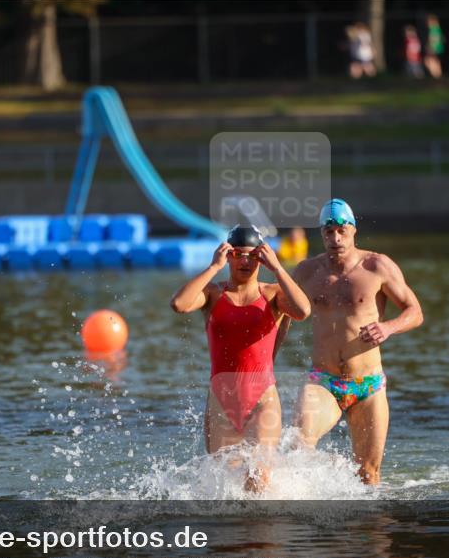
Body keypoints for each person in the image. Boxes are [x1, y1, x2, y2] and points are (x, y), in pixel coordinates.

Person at [287, 199, 423, 485]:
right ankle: (335, 470)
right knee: (298, 445)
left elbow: (415, 312)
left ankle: (367, 529)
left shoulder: (377, 266)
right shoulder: (306, 272)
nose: (335, 239)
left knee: (369, 475)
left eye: (341, 231)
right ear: (321, 234)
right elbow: (280, 318)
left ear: (353, 231)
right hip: (323, 382)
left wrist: (389, 327)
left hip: (368, 386)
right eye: (328, 232)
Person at [170, 226, 311, 492]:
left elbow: (303, 310)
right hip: (221, 403)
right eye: (237, 254)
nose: (245, 261)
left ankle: (261, 533)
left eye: (252, 255)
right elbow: (178, 304)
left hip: (262, 401)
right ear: (228, 256)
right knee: (223, 486)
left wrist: (279, 269)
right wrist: (213, 267)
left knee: (259, 480)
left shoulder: (272, 294)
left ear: (262, 258)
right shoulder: (213, 294)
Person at [424, 15, 445, 79]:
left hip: (434, 48)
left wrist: (430, 47)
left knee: (428, 61)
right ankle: (437, 75)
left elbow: (434, 40)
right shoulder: (438, 29)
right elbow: (443, 39)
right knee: (435, 61)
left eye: (428, 22)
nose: (427, 23)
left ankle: (436, 75)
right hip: (438, 48)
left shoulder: (433, 29)